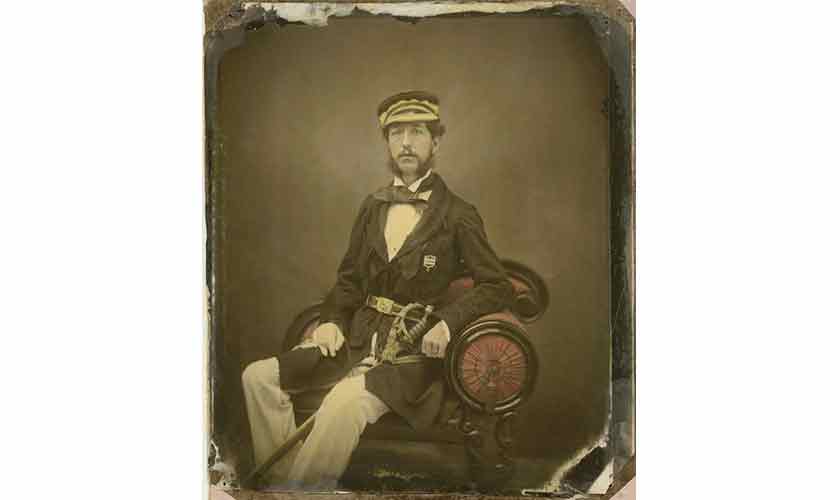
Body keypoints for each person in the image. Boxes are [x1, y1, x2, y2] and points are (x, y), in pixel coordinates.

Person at [241, 90, 514, 489]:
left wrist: (446, 324)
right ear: (386, 143)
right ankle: (286, 486)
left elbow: (496, 286)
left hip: (411, 360)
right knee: (257, 377)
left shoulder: (458, 215)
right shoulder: (372, 207)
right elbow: (349, 280)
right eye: (396, 133)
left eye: (417, 132)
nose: (406, 143)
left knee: (342, 403)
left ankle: (299, 494)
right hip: (356, 343)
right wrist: (332, 321)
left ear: (436, 142)